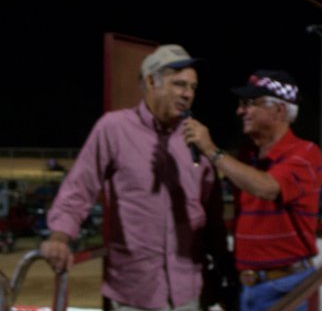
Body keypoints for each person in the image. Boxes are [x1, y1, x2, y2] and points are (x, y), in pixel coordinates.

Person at [40, 44, 230, 311]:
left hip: (188, 291)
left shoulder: (197, 138)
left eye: (192, 87)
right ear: (151, 81)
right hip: (134, 293)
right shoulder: (114, 128)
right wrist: (60, 236)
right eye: (179, 85)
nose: (187, 94)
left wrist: (221, 269)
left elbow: (211, 214)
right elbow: (80, 186)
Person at [183, 69, 322, 311]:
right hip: (246, 288)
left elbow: (268, 188)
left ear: (279, 110)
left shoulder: (306, 153)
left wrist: (211, 150)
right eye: (241, 104)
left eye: (249, 104)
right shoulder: (246, 155)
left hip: (285, 287)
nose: (240, 111)